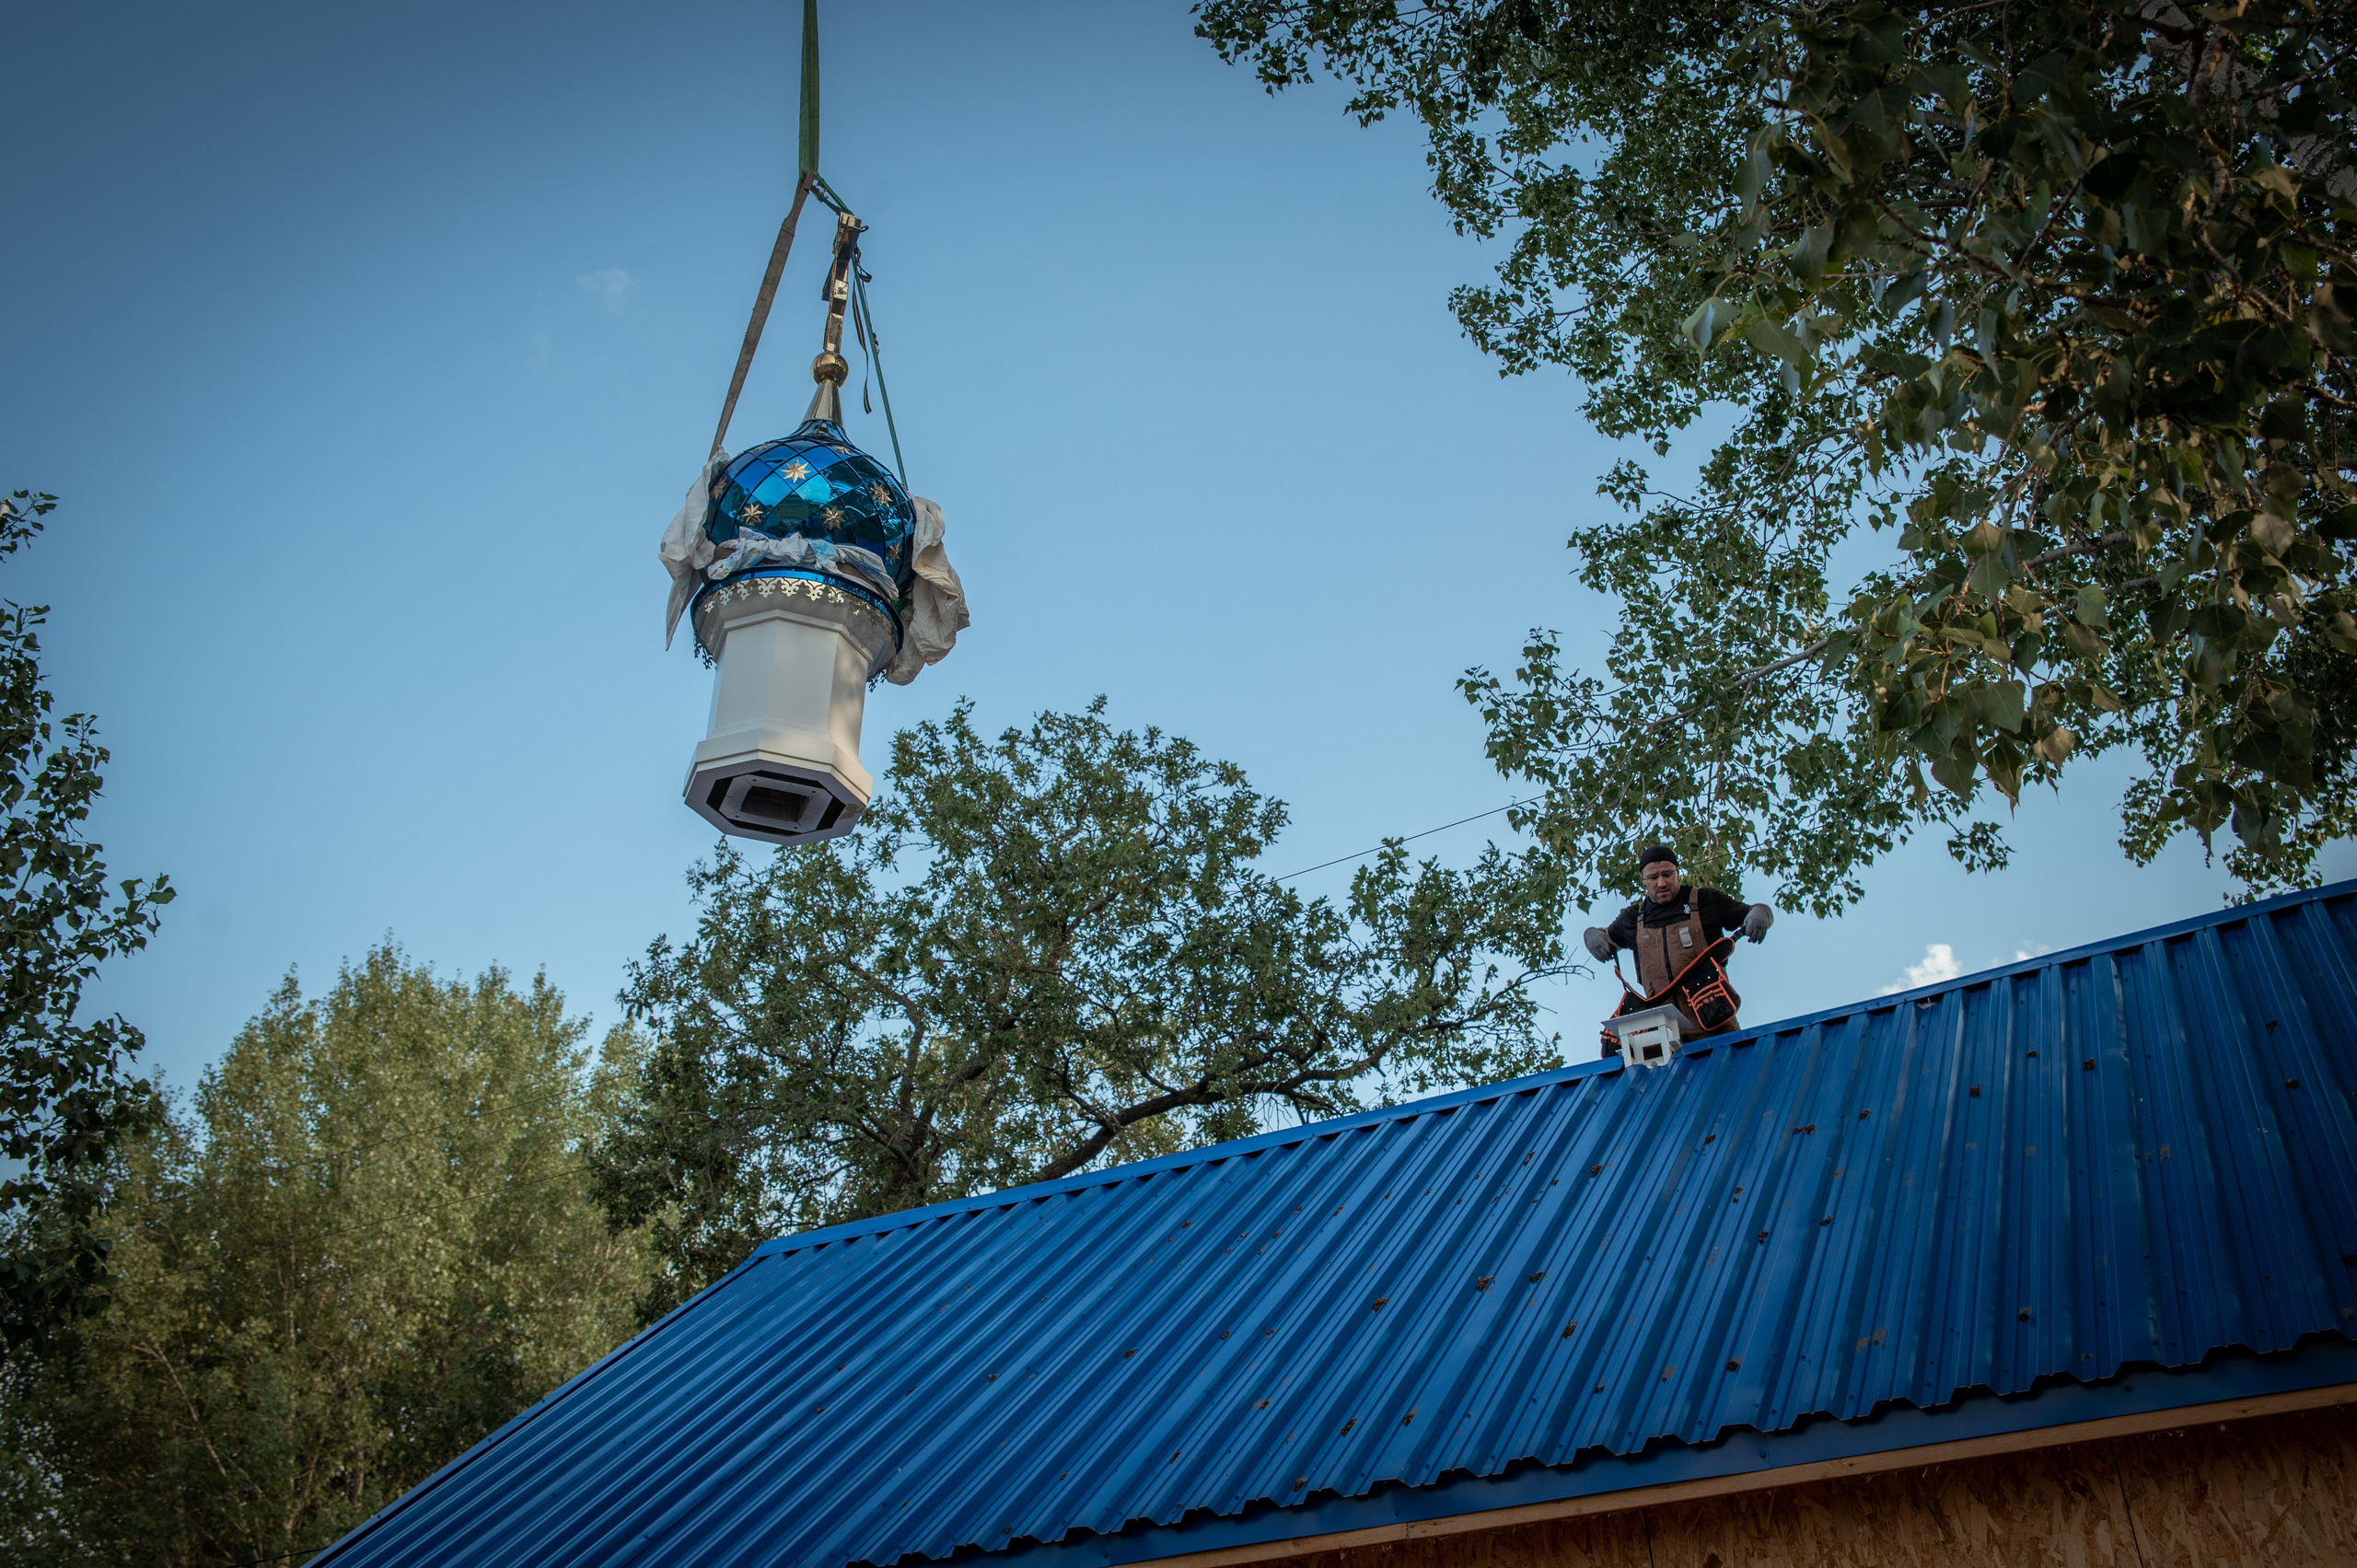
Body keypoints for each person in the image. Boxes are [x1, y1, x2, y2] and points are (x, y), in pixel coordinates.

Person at [1584, 845, 1773, 1038]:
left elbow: (1752, 912)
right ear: (1643, 879)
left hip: (1716, 1026)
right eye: (1653, 877)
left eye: (1667, 874)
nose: (1661, 883)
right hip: (1665, 1036)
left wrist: (1761, 913)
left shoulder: (1705, 900)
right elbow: (1606, 936)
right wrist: (1591, 936)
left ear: (1677, 872)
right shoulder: (1633, 918)